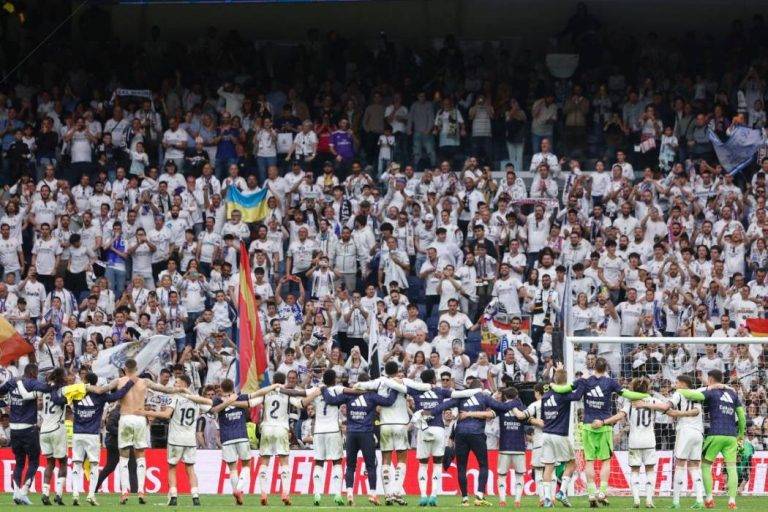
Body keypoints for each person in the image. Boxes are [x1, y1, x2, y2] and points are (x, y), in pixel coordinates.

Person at [550, 357, 649, 507]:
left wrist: (552, 383)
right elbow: (628, 394)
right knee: (605, 461)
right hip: (604, 426)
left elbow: (563, 390)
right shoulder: (610, 382)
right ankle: (602, 492)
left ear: (593, 367)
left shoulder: (584, 381)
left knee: (589, 461)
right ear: (606, 368)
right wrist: (645, 395)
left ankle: (591, 494)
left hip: (588, 425)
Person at [427, 375, 519, 506]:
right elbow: (502, 407)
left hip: (461, 434)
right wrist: (516, 401)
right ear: (480, 388)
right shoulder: (484, 397)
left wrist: (428, 412)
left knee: (462, 467)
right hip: (477, 434)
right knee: (483, 465)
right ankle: (479, 496)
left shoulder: (461, 398)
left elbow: (444, 405)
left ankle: (464, 498)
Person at [321, 372, 398, 506]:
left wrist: (323, 390)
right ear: (369, 383)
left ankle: (350, 494)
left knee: (350, 466)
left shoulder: (349, 395)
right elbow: (389, 401)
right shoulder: (372, 396)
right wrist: (396, 388)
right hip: (366, 434)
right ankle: (373, 494)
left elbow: (330, 400)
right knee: (371, 465)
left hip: (351, 434)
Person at [676, 370, 746, 510]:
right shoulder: (732, 393)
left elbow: (690, 394)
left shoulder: (711, 392)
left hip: (715, 434)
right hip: (731, 436)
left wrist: (679, 389)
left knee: (706, 466)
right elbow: (742, 416)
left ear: (711, 379)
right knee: (731, 468)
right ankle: (732, 501)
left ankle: (708, 498)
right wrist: (741, 435)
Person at [635, 374, 705, 509]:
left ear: (684, 384)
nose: (675, 385)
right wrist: (674, 413)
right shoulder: (696, 394)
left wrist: (645, 404)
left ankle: (676, 502)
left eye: (677, 383)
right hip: (699, 432)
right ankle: (699, 500)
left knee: (679, 464)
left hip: (685, 431)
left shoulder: (679, 393)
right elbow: (696, 411)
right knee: (695, 466)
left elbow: (667, 405)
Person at [137, 374, 207, 506]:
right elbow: (210, 407)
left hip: (175, 439)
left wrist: (146, 412)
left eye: (177, 383)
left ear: (185, 385)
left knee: (172, 468)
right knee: (190, 469)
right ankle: (195, 496)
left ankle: (174, 496)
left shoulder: (176, 397)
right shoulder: (196, 399)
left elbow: (165, 414)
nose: (174, 385)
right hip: (190, 440)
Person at [70, 372, 137, 506]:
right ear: (95, 383)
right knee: (94, 465)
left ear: (85, 380)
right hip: (92, 435)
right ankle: (90, 495)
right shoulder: (100, 395)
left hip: (77, 434)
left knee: (77, 464)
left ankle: (75, 494)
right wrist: (130, 383)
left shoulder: (75, 393)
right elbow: (117, 395)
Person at [0, 363, 54, 505]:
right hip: (28, 428)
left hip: (14, 429)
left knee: (19, 462)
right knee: (34, 460)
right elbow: (47, 388)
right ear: (33, 372)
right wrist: (50, 380)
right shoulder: (32, 382)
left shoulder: (12, 382)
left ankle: (16, 493)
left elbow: (1, 391)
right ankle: (24, 491)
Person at [304, 369, 346, 506]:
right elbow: (352, 391)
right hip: (333, 431)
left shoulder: (316, 390)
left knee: (319, 462)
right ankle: (337, 494)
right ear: (334, 380)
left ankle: (317, 494)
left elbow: (301, 397)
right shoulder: (338, 389)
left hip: (318, 431)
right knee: (337, 462)